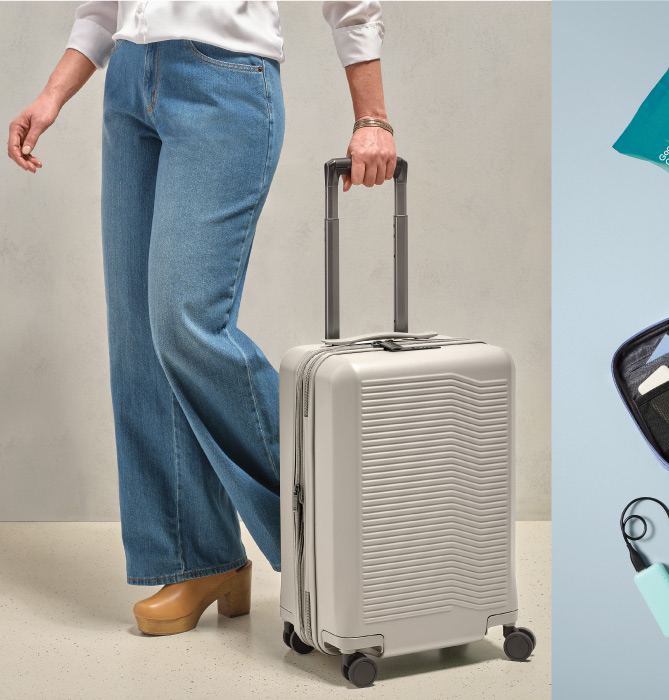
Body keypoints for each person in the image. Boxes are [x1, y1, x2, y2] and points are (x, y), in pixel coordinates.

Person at [6, 1, 396, 636]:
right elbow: (105, 8)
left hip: (225, 82)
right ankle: (197, 560)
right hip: (129, 83)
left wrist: (371, 116)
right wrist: (53, 94)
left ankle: (349, 533)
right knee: (139, 338)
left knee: (187, 321)